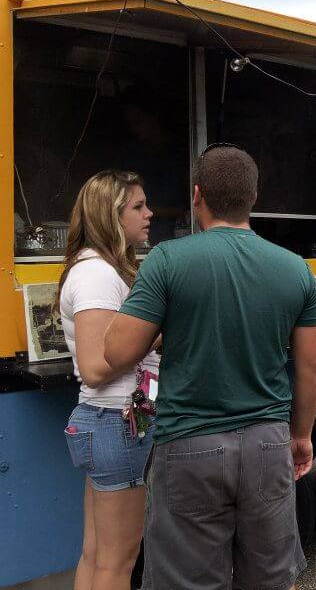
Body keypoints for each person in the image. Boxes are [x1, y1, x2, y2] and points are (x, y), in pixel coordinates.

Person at [102, 145, 316, 590]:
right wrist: (300, 436)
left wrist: (168, 324)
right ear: (253, 198)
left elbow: (117, 352)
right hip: (267, 444)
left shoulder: (167, 260)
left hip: (189, 446)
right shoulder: (295, 270)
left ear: (197, 195)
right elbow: (312, 367)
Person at [58, 170, 158, 590]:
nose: (149, 213)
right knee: (120, 561)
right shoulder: (97, 274)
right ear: (109, 216)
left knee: (98, 554)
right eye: (137, 206)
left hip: (108, 423)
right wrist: (154, 331)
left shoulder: (96, 268)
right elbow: (96, 367)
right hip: (117, 423)